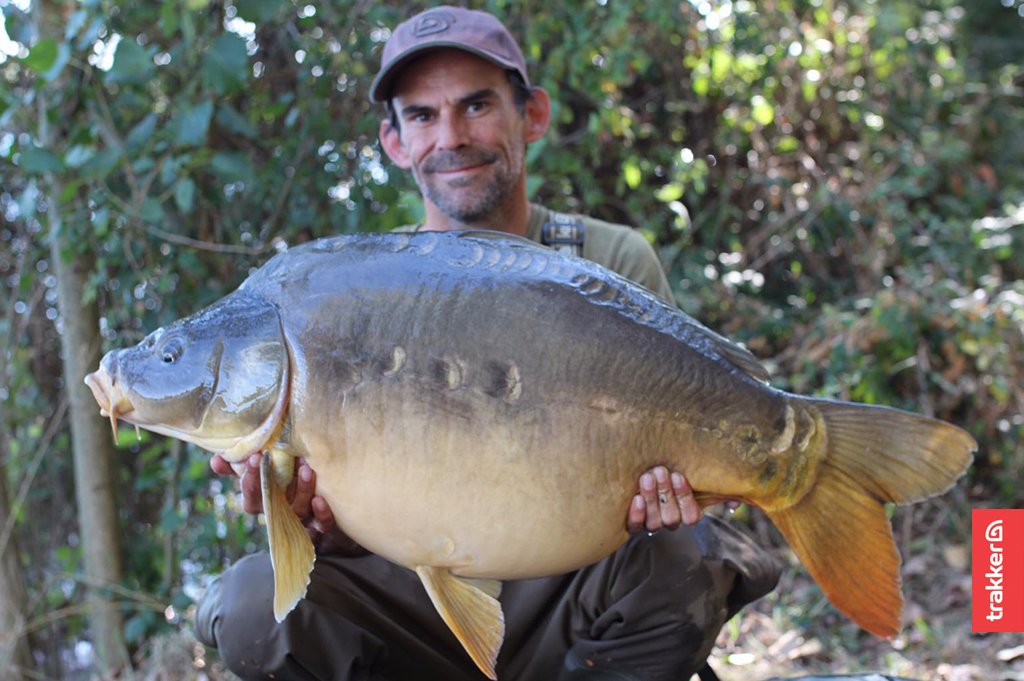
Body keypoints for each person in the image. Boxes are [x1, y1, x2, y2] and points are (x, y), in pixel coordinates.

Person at [196, 7, 780, 681]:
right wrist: (315, 522)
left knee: (687, 555)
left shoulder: (610, 260)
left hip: (569, 590)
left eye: (476, 106)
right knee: (251, 608)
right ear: (393, 141)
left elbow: (674, 461)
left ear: (532, 115)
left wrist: (667, 501)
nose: (451, 137)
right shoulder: (351, 293)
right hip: (413, 600)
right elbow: (343, 525)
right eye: (422, 115)